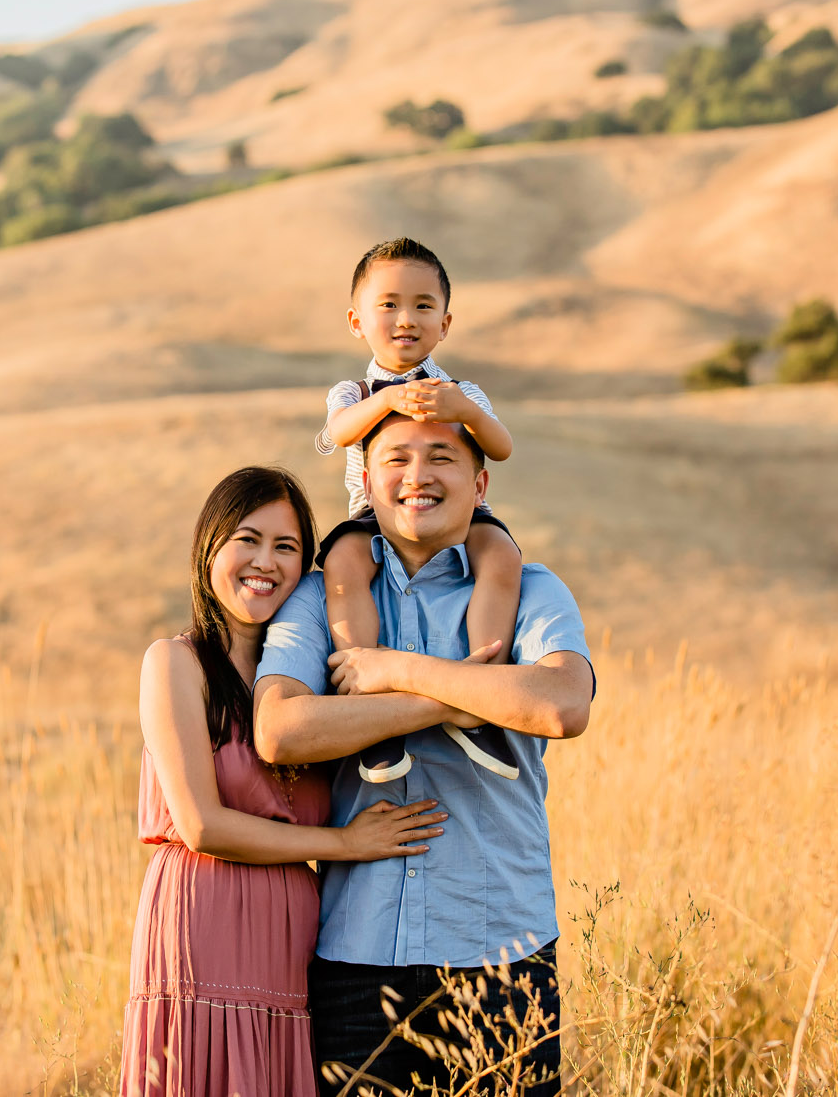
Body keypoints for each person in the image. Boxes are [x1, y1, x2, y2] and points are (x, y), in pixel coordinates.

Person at [255, 414, 595, 1096]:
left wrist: (391, 669)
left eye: (441, 456)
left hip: (501, 948)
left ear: (480, 481)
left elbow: (560, 703)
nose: (418, 475)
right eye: (397, 459)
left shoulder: (531, 588)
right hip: (356, 956)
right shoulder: (321, 596)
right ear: (368, 482)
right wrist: (456, 699)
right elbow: (281, 731)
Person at [120, 465, 455, 1096]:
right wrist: (346, 844)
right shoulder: (175, 663)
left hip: (291, 938)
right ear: (208, 548)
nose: (264, 562)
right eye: (247, 539)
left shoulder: (308, 687)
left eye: (287, 547)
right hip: (202, 924)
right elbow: (201, 825)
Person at [313, 237, 525, 785]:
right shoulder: (353, 390)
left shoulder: (461, 388)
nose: (406, 318)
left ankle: (482, 690)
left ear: (446, 324)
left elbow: (500, 447)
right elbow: (337, 434)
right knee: (342, 565)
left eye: (423, 306)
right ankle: (368, 698)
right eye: (389, 305)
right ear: (357, 321)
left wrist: (463, 410)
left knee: (501, 553)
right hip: (374, 516)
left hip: (459, 516)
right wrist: (383, 401)